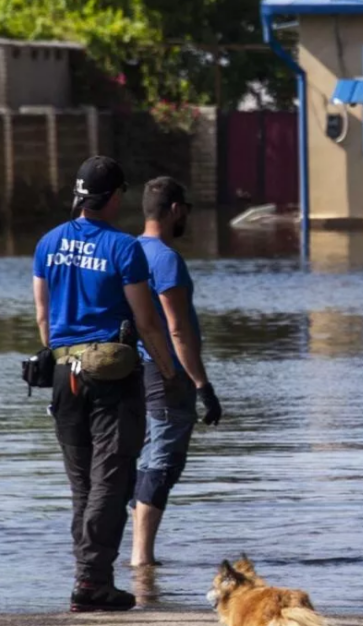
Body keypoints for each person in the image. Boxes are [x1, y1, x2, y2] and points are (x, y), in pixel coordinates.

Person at [33, 156, 179, 612]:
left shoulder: (47, 242)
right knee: (110, 483)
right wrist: (170, 373)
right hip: (111, 380)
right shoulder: (123, 248)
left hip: (63, 375)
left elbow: (42, 316)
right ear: (114, 197)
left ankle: (88, 578)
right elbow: (148, 321)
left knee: (82, 485)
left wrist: (64, 353)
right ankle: (93, 582)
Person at [130, 177, 223, 567]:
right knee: (163, 462)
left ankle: (139, 557)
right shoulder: (165, 258)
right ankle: (142, 558)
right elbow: (177, 329)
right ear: (174, 210)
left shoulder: (129, 249)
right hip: (166, 373)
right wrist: (203, 385)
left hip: (138, 372)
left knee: (148, 457)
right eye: (185, 208)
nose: (185, 215)